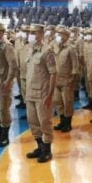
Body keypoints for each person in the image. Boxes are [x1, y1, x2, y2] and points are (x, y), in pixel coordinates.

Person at [24, 24, 57, 163]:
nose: (31, 34)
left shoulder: (47, 51)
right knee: (33, 122)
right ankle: (40, 146)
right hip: (30, 92)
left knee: (45, 122)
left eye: (34, 32)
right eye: (30, 32)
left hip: (42, 93)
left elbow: (53, 73)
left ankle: (47, 150)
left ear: (42, 34)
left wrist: (49, 95)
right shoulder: (30, 49)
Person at [52, 27, 79, 133]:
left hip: (67, 80)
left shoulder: (71, 49)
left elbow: (75, 66)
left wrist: (73, 81)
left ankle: (68, 123)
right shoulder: (55, 47)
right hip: (56, 80)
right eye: (57, 34)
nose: (57, 36)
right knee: (57, 102)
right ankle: (62, 121)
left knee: (67, 102)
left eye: (60, 34)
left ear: (66, 36)